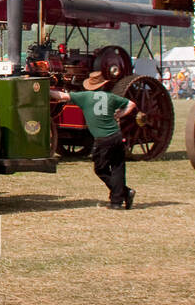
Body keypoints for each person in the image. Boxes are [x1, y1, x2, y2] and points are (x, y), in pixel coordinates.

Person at [51, 71, 139, 209]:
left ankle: (126, 192)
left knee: (101, 169)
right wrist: (121, 113)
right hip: (116, 136)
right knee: (117, 168)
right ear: (103, 85)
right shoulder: (111, 97)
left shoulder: (84, 97)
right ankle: (116, 202)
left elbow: (61, 96)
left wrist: (44, 89)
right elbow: (131, 104)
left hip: (103, 139)